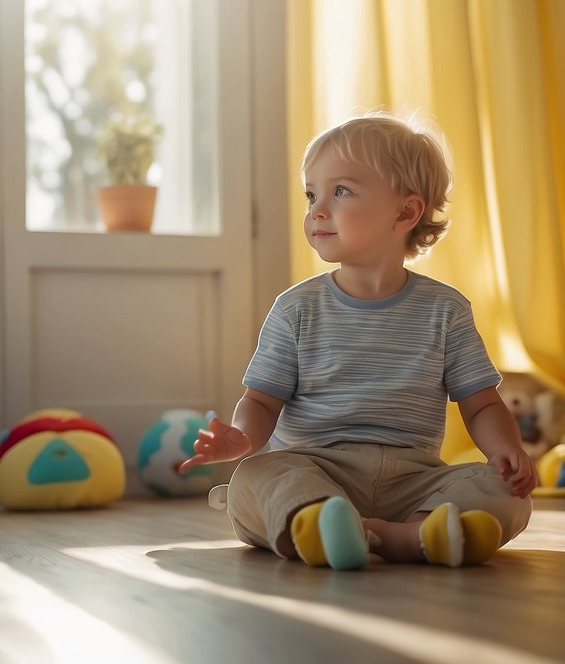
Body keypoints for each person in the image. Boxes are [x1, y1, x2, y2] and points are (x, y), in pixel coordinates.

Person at [180, 112, 535, 570]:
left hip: (415, 481)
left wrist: (505, 451)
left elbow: (482, 404)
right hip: (316, 468)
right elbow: (262, 402)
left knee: (508, 489)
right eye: (312, 195)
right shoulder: (295, 309)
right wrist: (242, 440)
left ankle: (413, 532)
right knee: (255, 476)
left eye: (340, 191)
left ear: (406, 212)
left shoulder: (446, 310)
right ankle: (322, 522)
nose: (316, 210)